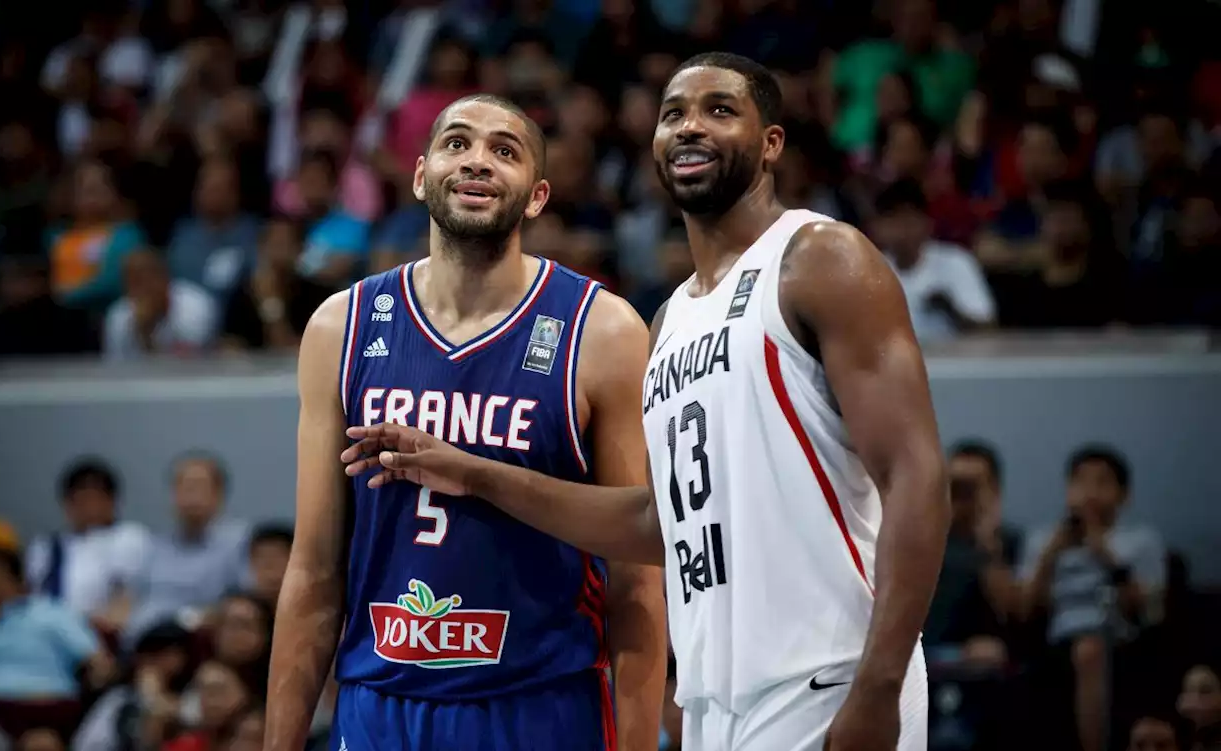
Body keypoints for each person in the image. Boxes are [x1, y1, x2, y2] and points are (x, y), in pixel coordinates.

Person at [344, 53, 948, 751]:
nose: (691, 126)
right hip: (713, 703)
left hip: (829, 677)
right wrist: (474, 472)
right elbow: (655, 519)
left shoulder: (820, 259)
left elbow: (917, 478)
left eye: (720, 110)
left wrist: (878, 685)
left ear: (771, 143)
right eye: (673, 114)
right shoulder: (669, 321)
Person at [265, 94, 667, 751]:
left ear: (536, 197)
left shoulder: (603, 330)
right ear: (421, 176)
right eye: (457, 144)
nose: (478, 160)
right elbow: (313, 572)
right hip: (380, 703)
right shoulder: (341, 326)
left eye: (504, 151)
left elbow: (636, 578)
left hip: (541, 704)